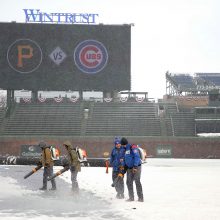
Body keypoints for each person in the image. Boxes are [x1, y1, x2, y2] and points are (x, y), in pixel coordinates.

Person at [120, 137, 144, 202]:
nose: (123, 146)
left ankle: (140, 198)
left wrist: (135, 166)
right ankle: (131, 197)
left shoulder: (132, 147)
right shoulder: (124, 150)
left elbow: (137, 157)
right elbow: (124, 159)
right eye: (122, 145)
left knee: (137, 181)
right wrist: (124, 167)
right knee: (128, 182)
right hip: (129, 168)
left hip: (136, 167)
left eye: (123, 144)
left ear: (125, 143)